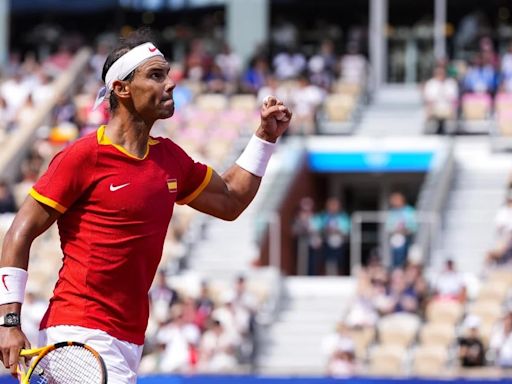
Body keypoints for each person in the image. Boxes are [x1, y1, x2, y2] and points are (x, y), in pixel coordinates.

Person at [0, 29, 292, 383]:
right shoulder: (82, 156)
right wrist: (8, 322)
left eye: (167, 73)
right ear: (122, 89)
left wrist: (263, 139)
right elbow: (19, 233)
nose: (170, 83)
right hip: (78, 333)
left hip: (128, 340)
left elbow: (231, 200)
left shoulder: (170, 159)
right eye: (156, 75)